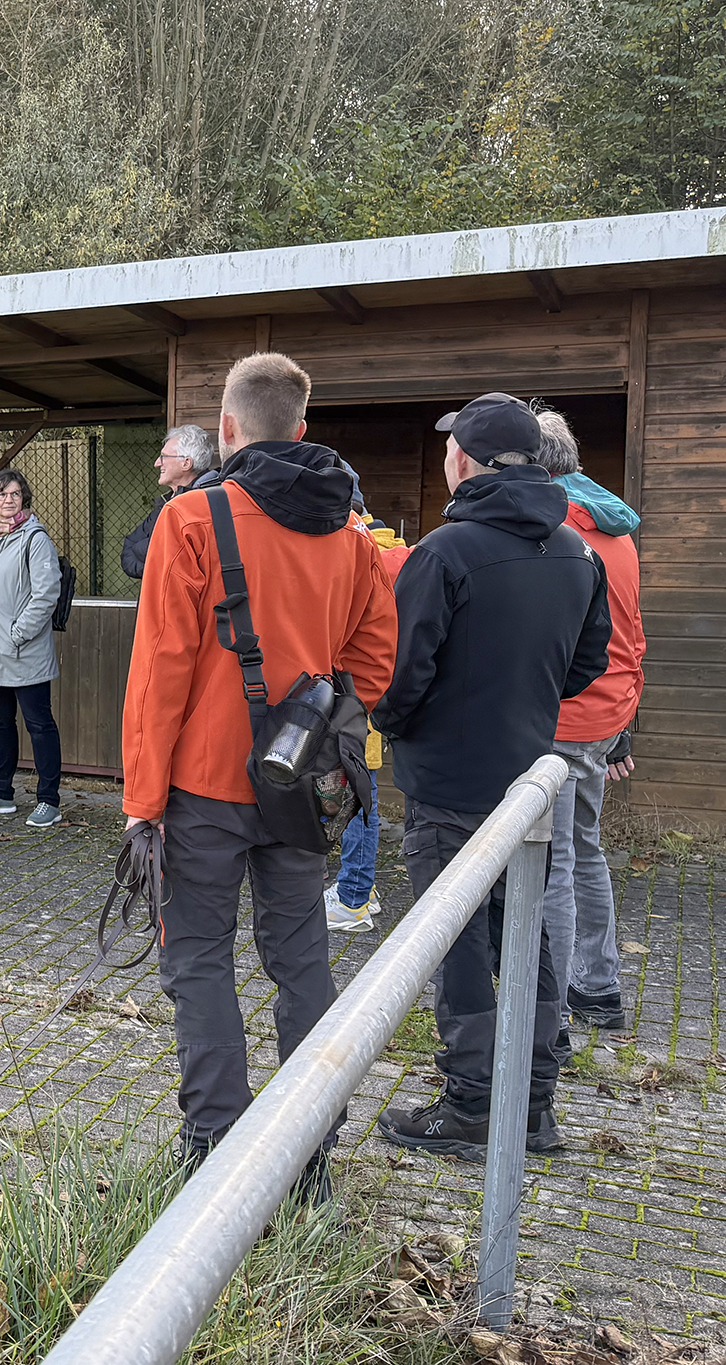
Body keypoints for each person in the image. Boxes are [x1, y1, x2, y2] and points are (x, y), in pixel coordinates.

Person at [121, 352, 398, 1203]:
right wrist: (318, 724)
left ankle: (215, 1151)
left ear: (228, 430)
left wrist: (141, 803)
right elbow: (374, 663)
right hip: (301, 791)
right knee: (301, 960)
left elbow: (161, 670)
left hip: (201, 787)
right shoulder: (354, 540)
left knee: (199, 961)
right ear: (303, 430)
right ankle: (307, 1153)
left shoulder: (192, 520)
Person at [373, 392, 611, 1159]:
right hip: (527, 783)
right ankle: (533, 1106)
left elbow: (404, 676)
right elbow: (587, 664)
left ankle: (473, 1104)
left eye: (450, 447)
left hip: (447, 787)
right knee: (528, 937)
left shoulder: (444, 551)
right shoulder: (579, 552)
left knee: (460, 946)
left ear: (465, 460)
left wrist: (391, 723)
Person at [530, 406, 646, 1038]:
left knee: (553, 863)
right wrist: (626, 722)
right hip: (606, 711)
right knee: (584, 848)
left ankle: (549, 1016)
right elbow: (629, 628)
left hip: (565, 714)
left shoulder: (559, 531)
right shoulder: (615, 526)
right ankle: (597, 985)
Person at [325, 471, 408, 933]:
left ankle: (355, 898)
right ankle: (363, 887)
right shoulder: (394, 549)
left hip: (355, 698)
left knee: (360, 799)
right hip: (377, 696)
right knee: (363, 794)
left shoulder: (358, 552)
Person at [0, 468, 64, 828]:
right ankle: (1, 793)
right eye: (2, 494)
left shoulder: (35, 539)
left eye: (16, 494)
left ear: (25, 499)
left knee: (39, 725)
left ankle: (49, 800)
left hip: (25, 653)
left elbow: (46, 592)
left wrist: (18, 633)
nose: (9, 500)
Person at [122, 424, 222, 579]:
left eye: (163, 457)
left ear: (186, 463)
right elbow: (128, 550)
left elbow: (177, 560)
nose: (157, 463)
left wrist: (151, 556)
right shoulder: (168, 500)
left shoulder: (205, 503)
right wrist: (158, 562)